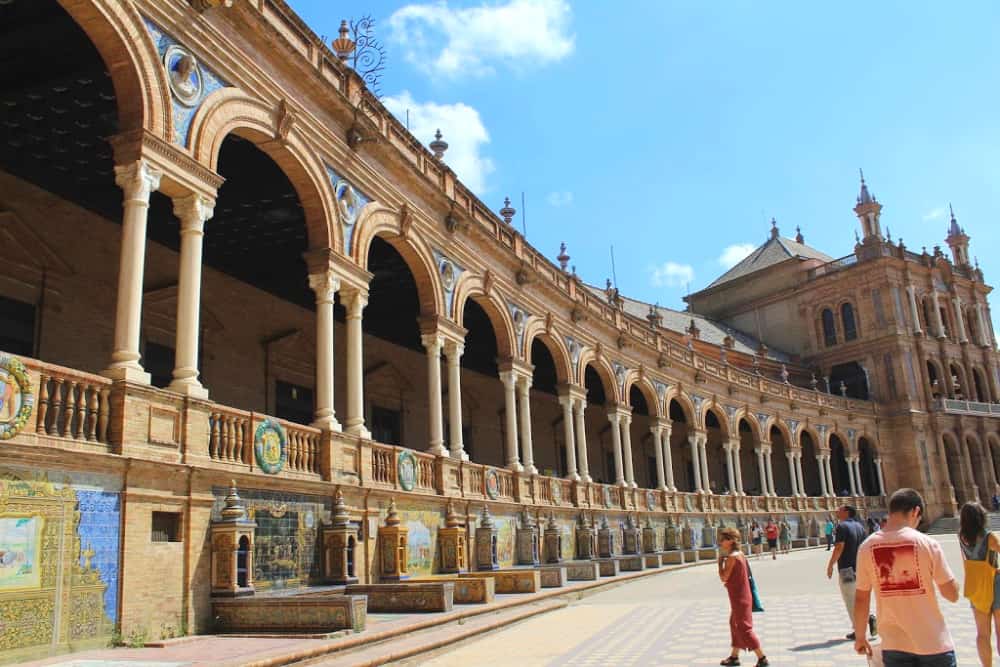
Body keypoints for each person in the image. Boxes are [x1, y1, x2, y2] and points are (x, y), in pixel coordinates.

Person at [854, 488, 959, 666]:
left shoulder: (866, 547)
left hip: (894, 646)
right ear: (915, 511)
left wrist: (860, 636)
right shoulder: (927, 543)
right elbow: (952, 594)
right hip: (933, 643)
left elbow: (861, 599)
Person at [718, 527, 769, 667]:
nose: (720, 542)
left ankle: (762, 658)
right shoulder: (740, 554)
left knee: (744, 628)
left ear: (730, 541)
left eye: (723, 539)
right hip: (743, 595)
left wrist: (719, 563)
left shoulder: (732, 558)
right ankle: (734, 656)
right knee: (734, 624)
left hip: (739, 598)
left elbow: (724, 577)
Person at [958, 501, 1000, 666]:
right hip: (995, 584)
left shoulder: (961, 537)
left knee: (982, 634)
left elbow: (965, 561)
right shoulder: (989, 537)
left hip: (975, 587)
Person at [827, 504, 877, 640]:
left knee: (850, 599)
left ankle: (858, 629)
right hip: (859, 568)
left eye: (840, 509)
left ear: (847, 512)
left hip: (846, 569)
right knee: (859, 598)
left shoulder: (842, 526)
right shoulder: (860, 527)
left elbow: (839, 547)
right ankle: (868, 618)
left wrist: (831, 564)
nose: (836, 510)